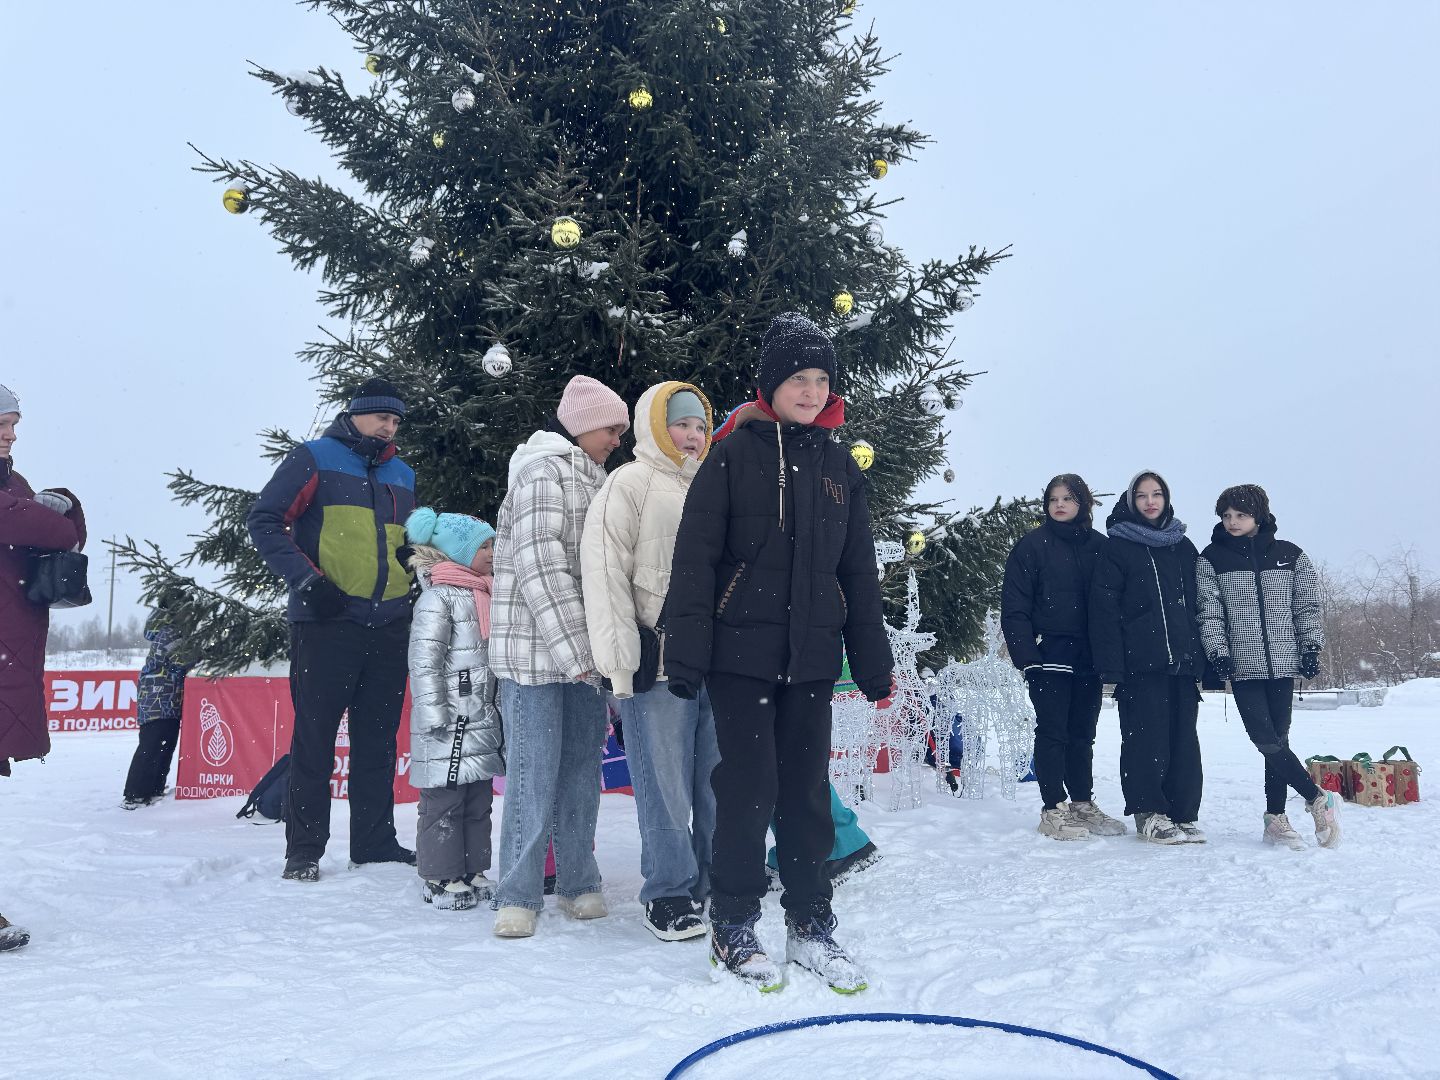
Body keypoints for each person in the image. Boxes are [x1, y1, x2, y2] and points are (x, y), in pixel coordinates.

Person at [665, 312, 894, 993]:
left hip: (813, 658)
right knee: (748, 789)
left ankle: (810, 924)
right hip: (742, 656)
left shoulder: (839, 470)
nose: (813, 390)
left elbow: (858, 572)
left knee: (805, 795)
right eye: (800, 377)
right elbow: (696, 558)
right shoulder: (733, 455)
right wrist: (685, 652)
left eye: (823, 378)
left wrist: (871, 657)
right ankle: (733, 924)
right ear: (772, 383)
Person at [247, 377, 417, 882]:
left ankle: (373, 841)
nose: (389, 426)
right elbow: (264, 520)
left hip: (388, 624)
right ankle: (304, 850)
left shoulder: (403, 473)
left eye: (396, 420)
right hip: (325, 622)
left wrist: (413, 577)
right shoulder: (313, 457)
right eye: (382, 416)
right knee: (315, 740)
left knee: (379, 740)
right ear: (355, 414)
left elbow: (403, 541)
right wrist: (306, 581)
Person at [489, 374, 630, 939]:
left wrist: (600, 655)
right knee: (532, 774)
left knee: (579, 773)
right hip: (535, 657)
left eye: (623, 427)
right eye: (610, 426)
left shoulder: (595, 480)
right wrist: (579, 652)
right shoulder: (541, 474)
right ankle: (519, 894)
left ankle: (578, 881)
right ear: (580, 424)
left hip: (584, 658)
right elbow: (539, 567)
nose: (618, 437)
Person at [581, 381, 720, 942]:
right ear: (657, 426)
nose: (692, 436)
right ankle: (668, 891)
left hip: (715, 663)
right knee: (664, 787)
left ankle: (718, 878)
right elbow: (605, 575)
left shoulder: (715, 484)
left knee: (716, 782)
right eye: (682, 424)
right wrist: (620, 663)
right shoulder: (628, 483)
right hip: (656, 665)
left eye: (700, 426)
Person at [1196, 484, 1341, 849]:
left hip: (1283, 662)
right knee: (1264, 739)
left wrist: (1310, 647)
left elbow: (1305, 605)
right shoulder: (1211, 558)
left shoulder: (1290, 555)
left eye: (1240, 515)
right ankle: (1315, 797)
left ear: (1258, 516)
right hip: (1242, 664)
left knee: (1278, 741)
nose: (1232, 522)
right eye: (1226, 516)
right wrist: (1218, 651)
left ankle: (1275, 818)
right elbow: (1209, 612)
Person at [0, 382, 86, 952]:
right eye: (1, 426)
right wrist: (57, 504)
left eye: (14, 426)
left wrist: (56, 504)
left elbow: (66, 528)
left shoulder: (13, 485)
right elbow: (51, 527)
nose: (9, 436)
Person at [1001, 474, 1125, 841]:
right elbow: (1015, 606)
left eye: (1068, 499)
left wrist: (1111, 654)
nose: (1059, 505)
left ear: (1082, 503)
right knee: (1053, 732)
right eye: (1053, 499)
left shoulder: (1101, 548)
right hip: (1047, 654)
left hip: (1089, 657)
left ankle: (1082, 805)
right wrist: (1027, 655)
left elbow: (1113, 604)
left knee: (1082, 734)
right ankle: (1053, 809)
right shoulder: (1032, 546)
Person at [1090, 471, 1204, 845]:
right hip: (1140, 663)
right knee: (1145, 740)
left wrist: (1202, 656)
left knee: (1183, 740)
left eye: (1157, 494)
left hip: (1182, 664)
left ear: (1167, 498)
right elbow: (1104, 611)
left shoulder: (1183, 546)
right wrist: (1112, 665)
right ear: (1131, 501)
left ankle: (1182, 812)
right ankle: (1149, 812)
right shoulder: (1117, 547)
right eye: (1142, 496)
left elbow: (1199, 606)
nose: (1150, 501)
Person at [405, 507, 506, 909]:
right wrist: (432, 714)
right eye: (483, 546)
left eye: (493, 544)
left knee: (478, 798)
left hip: (481, 714)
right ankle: (439, 874)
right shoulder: (437, 598)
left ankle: (472, 868)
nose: (492, 552)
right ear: (458, 552)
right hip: (446, 720)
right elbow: (425, 661)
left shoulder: (487, 592)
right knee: (444, 800)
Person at [123, 598, 192, 809]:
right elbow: (181, 660)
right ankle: (135, 793)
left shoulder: (172, 630)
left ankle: (153, 789)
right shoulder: (170, 631)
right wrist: (204, 653)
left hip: (167, 699)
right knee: (151, 746)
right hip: (158, 699)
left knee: (164, 746)